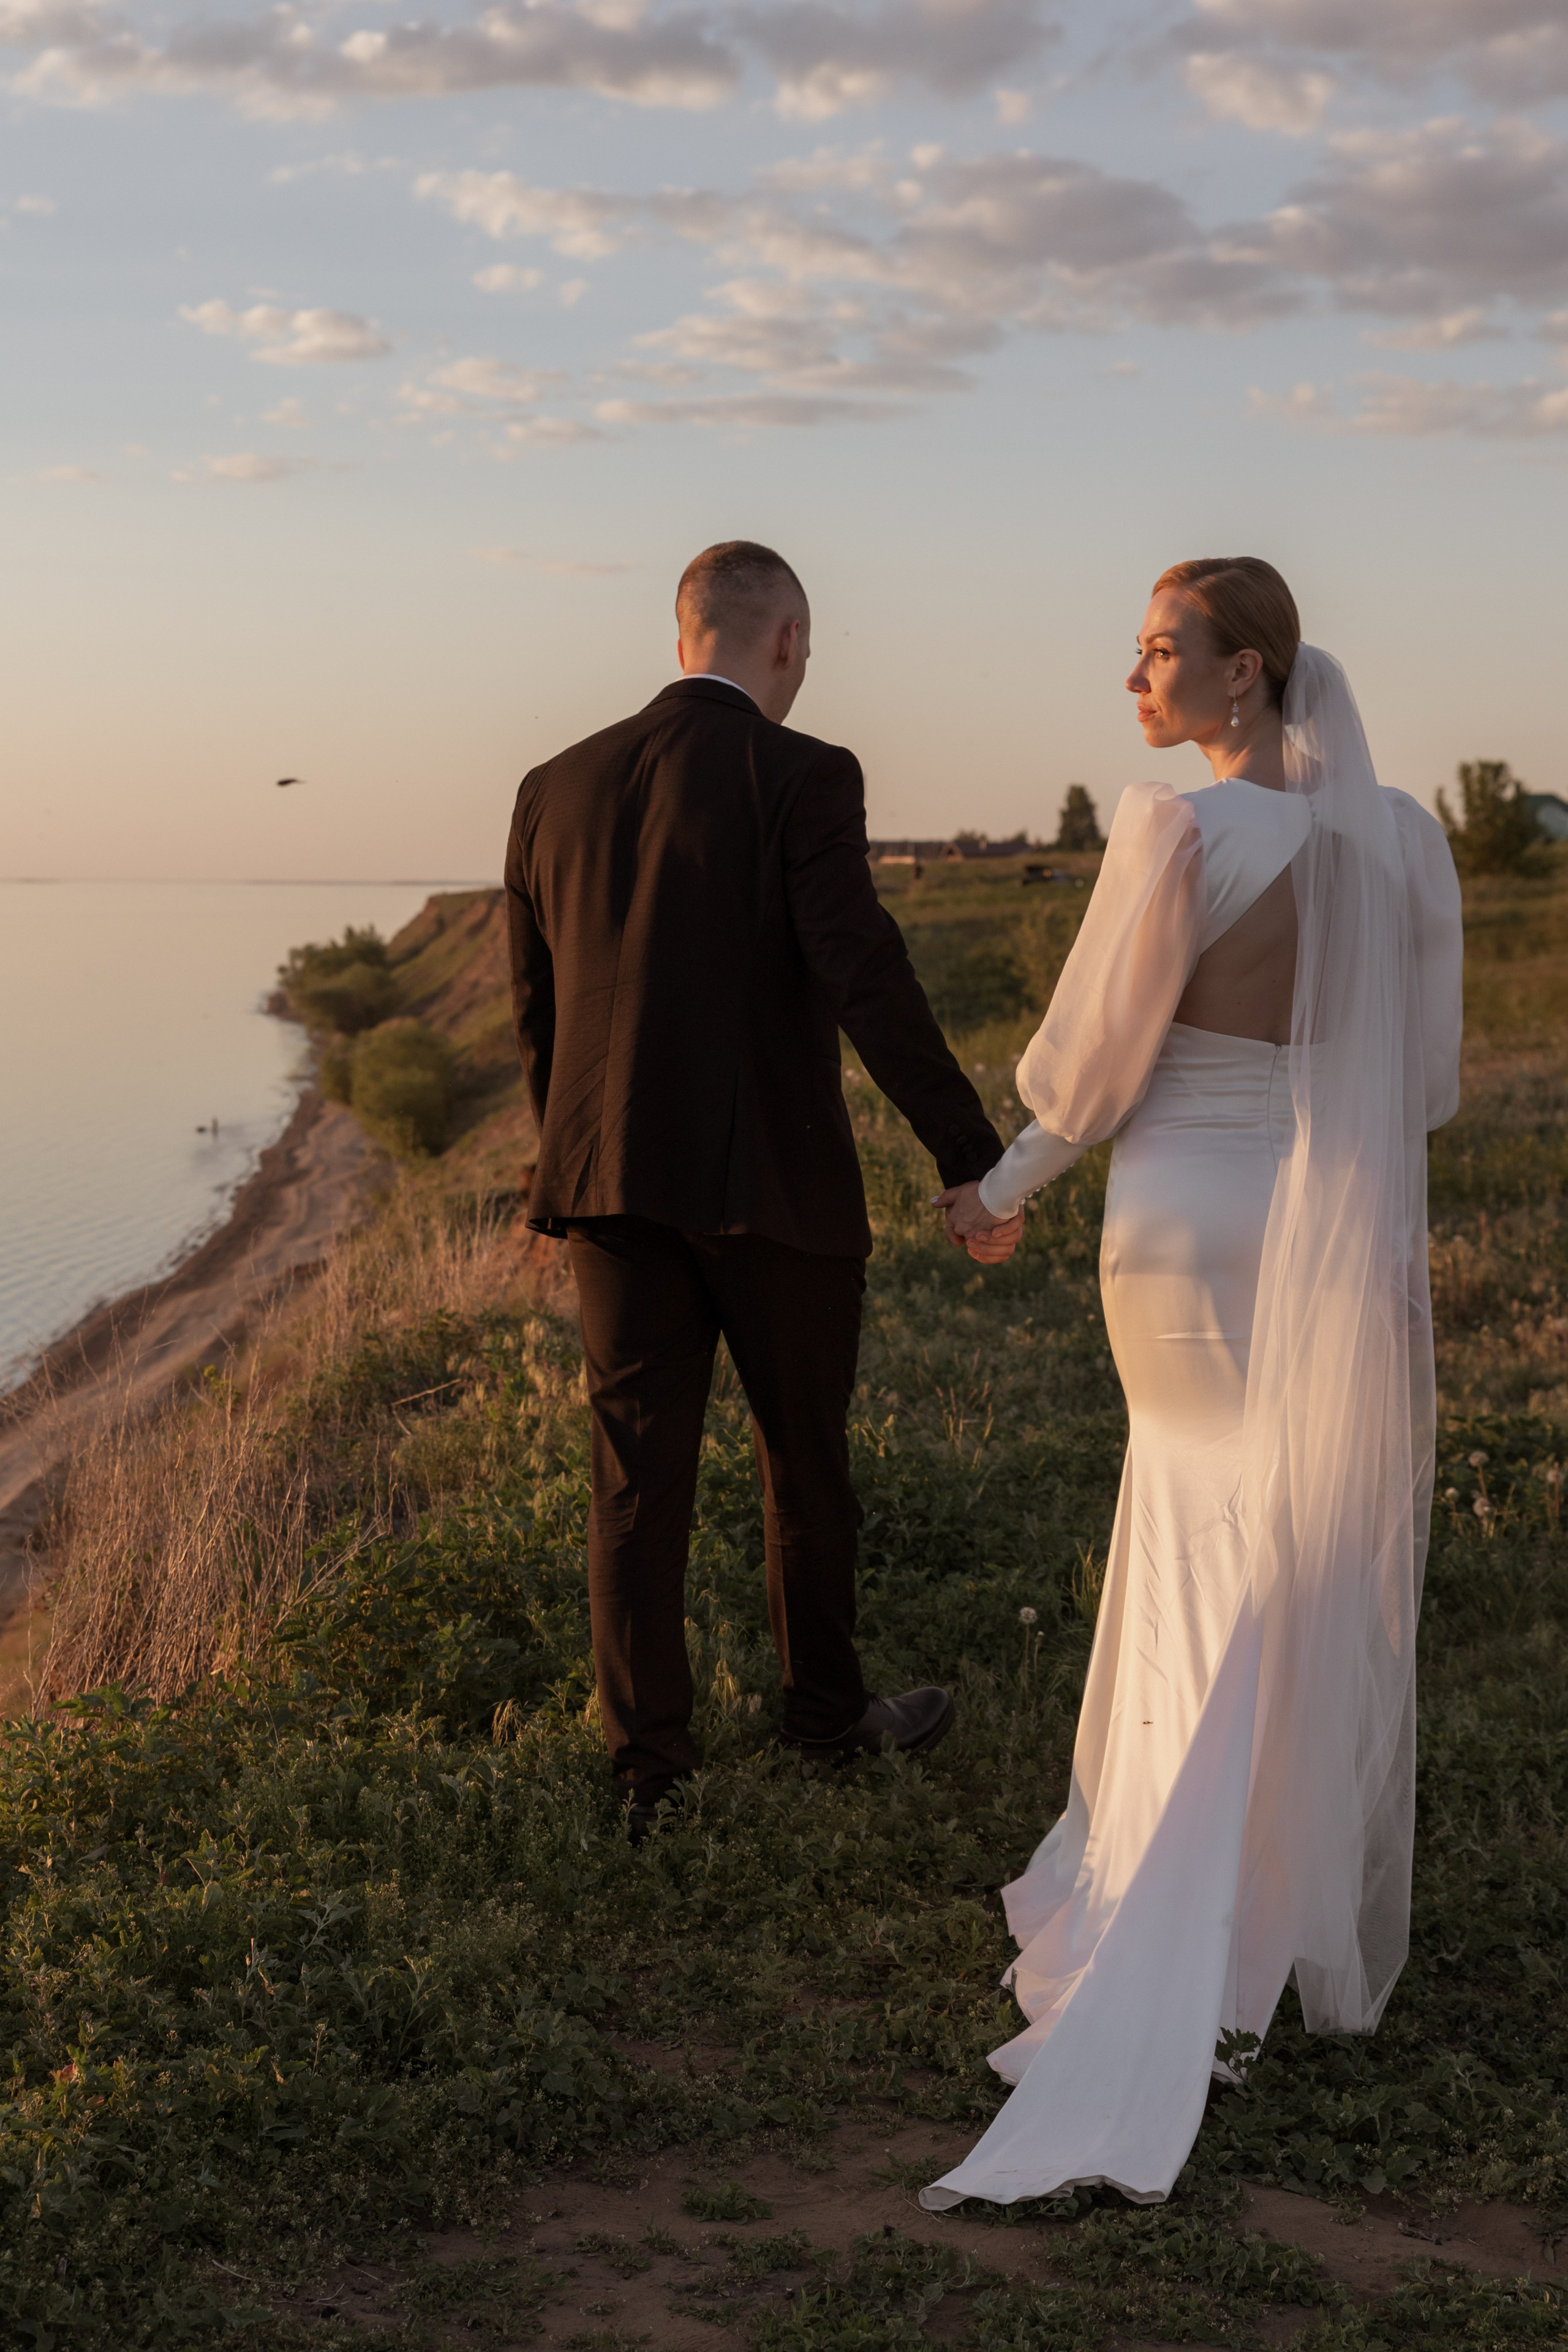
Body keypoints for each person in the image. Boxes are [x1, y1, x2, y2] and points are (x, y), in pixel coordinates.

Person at [927, 557, 1463, 2208]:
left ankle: (1169, 1913)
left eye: (1164, 651)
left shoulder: (1175, 831)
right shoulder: (1411, 840)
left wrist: (996, 1191)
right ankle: (1255, 1916)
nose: (1135, 678)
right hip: (1325, 1235)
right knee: (1286, 1559)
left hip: (1182, 1231)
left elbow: (1093, 1073)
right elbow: (1424, 1088)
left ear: (1246, 676)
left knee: (1193, 1550)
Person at [504, 540, 1017, 1844]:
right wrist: (967, 1155)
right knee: (803, 1462)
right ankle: (823, 1719)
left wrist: (560, 1167)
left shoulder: (549, 787)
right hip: (771, 1188)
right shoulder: (802, 773)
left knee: (634, 1476)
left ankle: (649, 1774)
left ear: (682, 637)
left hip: (609, 1187)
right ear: (784, 640)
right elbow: (863, 974)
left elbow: (538, 1012)